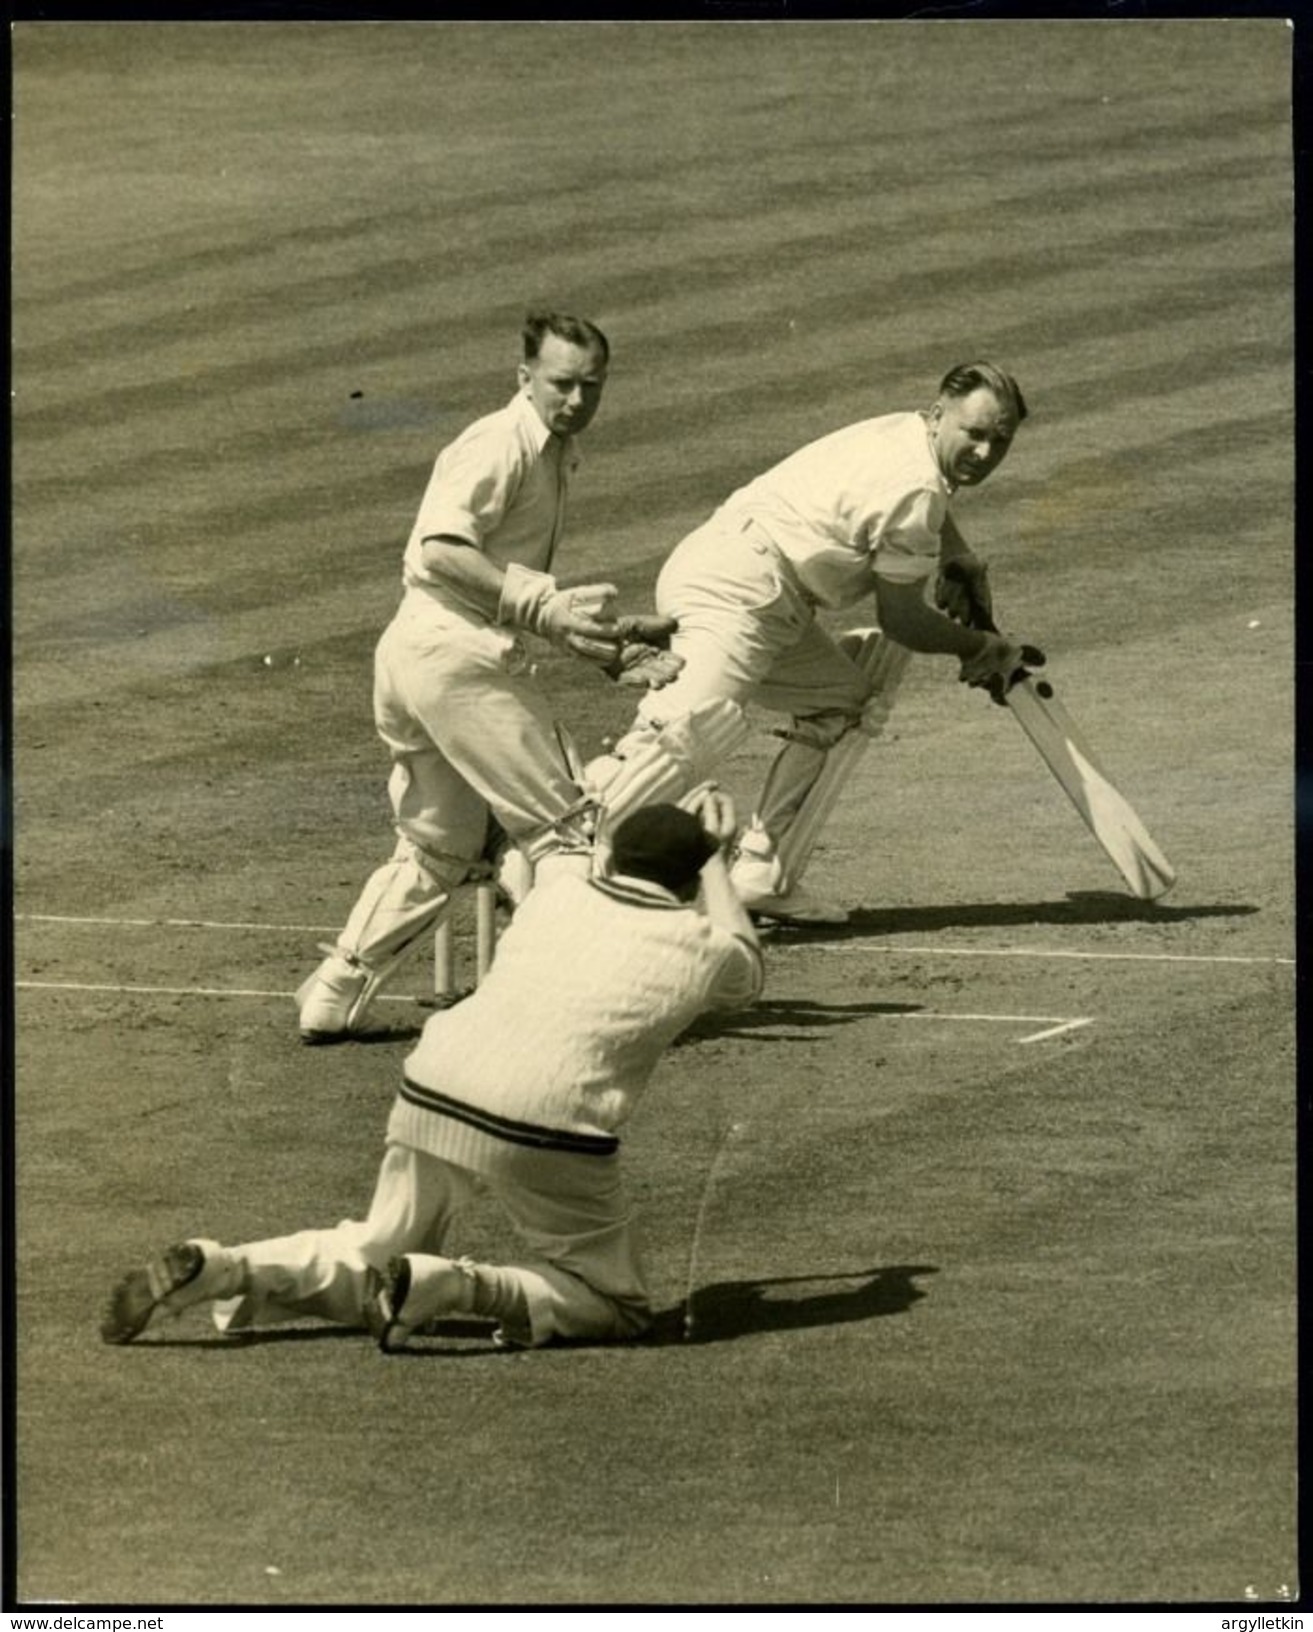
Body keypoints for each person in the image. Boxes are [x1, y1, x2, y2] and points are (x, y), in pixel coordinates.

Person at [101, 789, 764, 1352]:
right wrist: (715, 860)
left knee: (376, 1248)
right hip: (547, 1122)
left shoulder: (554, 897)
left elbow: (582, 858)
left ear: (615, 859)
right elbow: (746, 960)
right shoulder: (701, 947)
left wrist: (679, 844)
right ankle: (458, 1284)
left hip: (435, 1082)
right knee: (615, 1306)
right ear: (687, 883)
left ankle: (227, 1268)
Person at [296, 308, 682, 1045]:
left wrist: (605, 645)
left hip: (422, 660)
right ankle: (541, 1001)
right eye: (562, 385)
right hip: (451, 657)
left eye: (591, 387)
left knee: (440, 846)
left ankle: (334, 993)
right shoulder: (498, 442)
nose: (576, 401)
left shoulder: (551, 451)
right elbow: (440, 550)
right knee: (568, 832)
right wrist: (543, 604)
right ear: (524, 379)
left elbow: (512, 599)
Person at [585, 361, 1042, 924]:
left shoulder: (905, 432)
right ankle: (558, 862)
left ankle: (760, 870)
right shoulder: (920, 489)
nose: (984, 453)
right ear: (938, 415)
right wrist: (979, 649)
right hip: (744, 593)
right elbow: (901, 619)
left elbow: (926, 502)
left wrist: (957, 556)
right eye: (974, 434)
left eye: (1001, 440)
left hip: (746, 578)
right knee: (671, 740)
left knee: (842, 706)